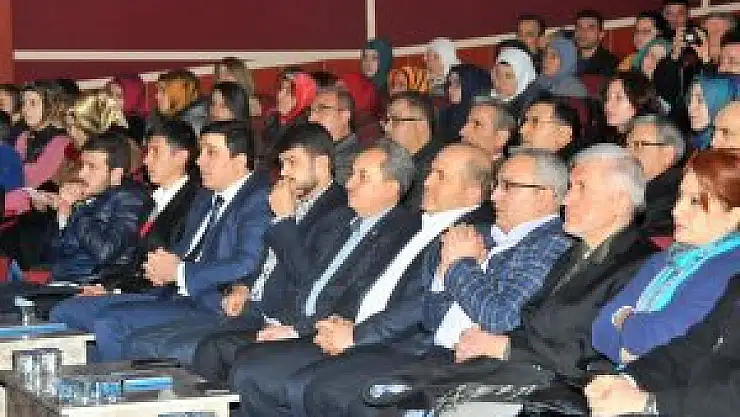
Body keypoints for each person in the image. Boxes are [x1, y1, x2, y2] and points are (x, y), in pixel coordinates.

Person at [358, 144, 658, 417]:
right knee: (385, 398)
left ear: (620, 202)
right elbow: (528, 320)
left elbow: (593, 351)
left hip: (557, 391)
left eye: (580, 188)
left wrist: (504, 346)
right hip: (509, 369)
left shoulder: (638, 264)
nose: (566, 199)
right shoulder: (575, 253)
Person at [227, 143, 503, 417]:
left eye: (441, 176)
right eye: (430, 172)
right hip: (355, 327)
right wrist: (325, 325)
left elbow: (423, 303)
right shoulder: (412, 223)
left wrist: (358, 335)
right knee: (252, 366)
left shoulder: (471, 236)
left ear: (473, 191)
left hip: (403, 345)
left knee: (297, 383)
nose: (427, 182)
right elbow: (359, 280)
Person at [119, 123, 347, 365]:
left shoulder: (337, 212)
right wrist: (243, 286)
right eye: (282, 164)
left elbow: (309, 278)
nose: (284, 172)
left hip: (281, 316)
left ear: (321, 165)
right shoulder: (292, 200)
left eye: (292, 162)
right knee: (141, 342)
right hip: (246, 307)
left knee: (165, 347)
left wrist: (283, 220)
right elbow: (261, 260)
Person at [87, 121, 272, 361]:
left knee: (113, 325)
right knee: (106, 319)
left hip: (218, 304)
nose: (200, 161)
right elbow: (185, 249)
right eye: (201, 151)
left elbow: (246, 263)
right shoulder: (206, 196)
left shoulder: (259, 199)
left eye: (211, 153)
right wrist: (162, 267)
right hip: (182, 294)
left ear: (239, 162)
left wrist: (180, 272)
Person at [586, 148, 740, 417]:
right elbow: (601, 329)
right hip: (653, 388)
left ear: (734, 215)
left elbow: (659, 338)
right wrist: (630, 378)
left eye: (695, 202)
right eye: (680, 197)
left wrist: (626, 323)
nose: (677, 211)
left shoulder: (729, 267)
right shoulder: (665, 258)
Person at [383, 92, 444, 212]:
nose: (387, 128)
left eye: (395, 120)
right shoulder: (395, 158)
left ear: (422, 124)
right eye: (387, 120)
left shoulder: (437, 167)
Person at [626, 115, 686, 237]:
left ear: (668, 154)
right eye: (627, 145)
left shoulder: (674, 199)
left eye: (639, 145)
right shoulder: (636, 188)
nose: (627, 153)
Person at [308, 86, 361, 185]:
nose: (311, 118)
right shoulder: (317, 148)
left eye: (321, 110)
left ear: (345, 115)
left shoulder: (354, 159)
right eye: (311, 111)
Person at [437, 64, 493, 143]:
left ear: (472, 86)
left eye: (457, 84)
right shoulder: (446, 112)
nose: (449, 89)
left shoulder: (481, 120)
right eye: (450, 83)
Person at [687, 75, 740, 150]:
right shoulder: (695, 141)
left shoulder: (732, 144)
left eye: (700, 100)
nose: (690, 107)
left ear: (720, 102)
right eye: (689, 100)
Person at [459, 97, 516, 163]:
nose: (462, 131)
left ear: (501, 138)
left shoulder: (504, 169)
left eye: (477, 124)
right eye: (467, 122)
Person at [491, 47, 538, 121]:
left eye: (508, 76)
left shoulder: (533, 108)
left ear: (522, 78)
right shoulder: (489, 98)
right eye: (497, 74)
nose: (500, 81)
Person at [574, 10, 619, 76]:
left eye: (590, 28)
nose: (583, 32)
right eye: (579, 27)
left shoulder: (611, 64)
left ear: (601, 35)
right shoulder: (566, 60)